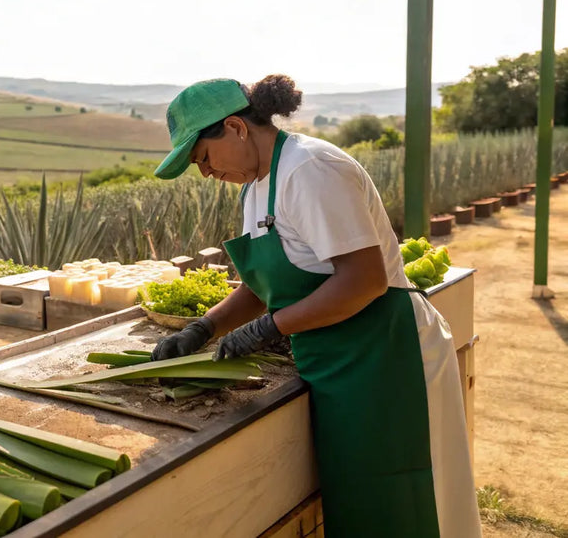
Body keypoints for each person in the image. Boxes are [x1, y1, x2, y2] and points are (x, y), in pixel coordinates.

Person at [149, 75, 481, 537]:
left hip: (388, 356)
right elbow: (262, 286)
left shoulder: (309, 168)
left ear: (236, 128)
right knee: (365, 505)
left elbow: (364, 280)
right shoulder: (255, 189)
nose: (205, 173)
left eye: (203, 158)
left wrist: (268, 329)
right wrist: (204, 328)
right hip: (338, 361)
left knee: (410, 501)